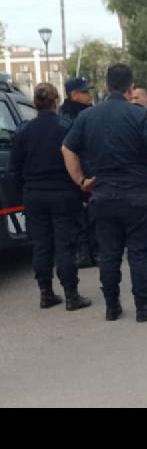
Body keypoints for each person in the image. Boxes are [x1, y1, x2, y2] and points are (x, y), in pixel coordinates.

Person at [62, 63, 147, 323]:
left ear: (107, 86)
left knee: (109, 254)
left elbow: (67, 149)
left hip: (103, 194)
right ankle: (143, 306)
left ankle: (112, 307)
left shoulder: (87, 116)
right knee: (140, 253)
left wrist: (81, 181)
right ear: (130, 87)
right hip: (137, 195)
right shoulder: (139, 114)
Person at [8, 83, 92, 311]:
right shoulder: (66, 127)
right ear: (56, 102)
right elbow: (79, 161)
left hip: (34, 194)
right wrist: (82, 190)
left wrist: (22, 194)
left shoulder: (23, 130)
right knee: (65, 245)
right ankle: (71, 295)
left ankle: (46, 293)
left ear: (35, 103)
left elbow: (14, 168)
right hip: (63, 193)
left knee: (41, 245)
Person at [60, 76, 97, 269]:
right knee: (79, 215)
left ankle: (92, 250)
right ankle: (85, 252)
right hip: (77, 173)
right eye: (85, 91)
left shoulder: (87, 113)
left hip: (89, 171)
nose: (89, 94)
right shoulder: (67, 118)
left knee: (93, 214)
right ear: (74, 94)